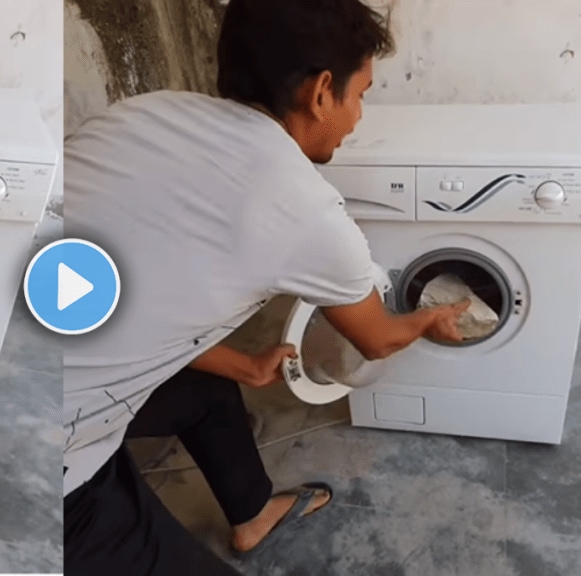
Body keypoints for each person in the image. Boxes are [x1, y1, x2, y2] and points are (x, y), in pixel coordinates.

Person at [62, 0, 471, 573]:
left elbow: (133, 298)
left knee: (209, 394)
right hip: (54, 449)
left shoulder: (142, 114)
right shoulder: (305, 209)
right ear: (322, 90)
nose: (358, 116)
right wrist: (428, 318)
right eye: (362, 94)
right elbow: (375, 339)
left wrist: (247, 367)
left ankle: (253, 515)